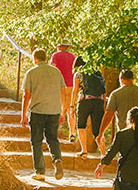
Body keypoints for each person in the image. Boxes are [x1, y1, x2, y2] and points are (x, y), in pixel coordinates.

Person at [20, 48, 66, 181]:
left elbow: (26, 95)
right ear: (46, 58)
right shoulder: (56, 72)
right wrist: (63, 112)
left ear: (35, 59)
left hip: (38, 111)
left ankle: (40, 171)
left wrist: (23, 115)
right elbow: (63, 92)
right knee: (52, 139)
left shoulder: (31, 72)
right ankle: (57, 159)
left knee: (36, 141)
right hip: (54, 111)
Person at [99, 69, 138, 143]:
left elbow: (109, 114)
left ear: (121, 79)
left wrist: (101, 133)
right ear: (133, 79)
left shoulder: (115, 94)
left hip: (124, 133)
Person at [71, 55, 107, 155]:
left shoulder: (79, 73)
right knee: (97, 130)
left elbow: (74, 90)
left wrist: (71, 106)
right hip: (98, 102)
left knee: (81, 125)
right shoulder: (97, 73)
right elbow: (104, 92)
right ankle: (103, 153)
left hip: (85, 101)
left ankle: (84, 151)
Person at [49, 42, 77, 142]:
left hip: (59, 85)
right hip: (71, 86)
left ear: (59, 47)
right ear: (67, 47)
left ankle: (54, 132)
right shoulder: (73, 57)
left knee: (58, 109)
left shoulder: (55, 56)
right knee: (70, 110)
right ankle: (72, 134)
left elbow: (52, 68)